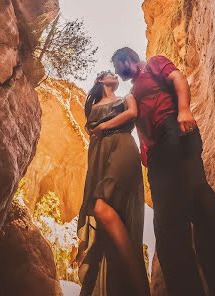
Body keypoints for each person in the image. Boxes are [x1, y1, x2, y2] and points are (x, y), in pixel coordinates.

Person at [110, 47, 215, 296]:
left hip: (175, 134)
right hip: (159, 153)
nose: (117, 71)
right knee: (187, 218)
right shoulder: (133, 91)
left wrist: (184, 110)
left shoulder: (153, 64)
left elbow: (178, 78)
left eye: (118, 65)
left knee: (188, 218)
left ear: (127, 59)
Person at [77, 70, 150, 296]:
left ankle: (139, 282)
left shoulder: (126, 97)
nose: (114, 76)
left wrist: (103, 127)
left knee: (101, 206)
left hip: (123, 146)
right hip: (99, 155)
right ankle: (134, 287)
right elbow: (92, 135)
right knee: (106, 219)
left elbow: (133, 113)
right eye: (109, 74)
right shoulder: (93, 105)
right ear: (100, 80)